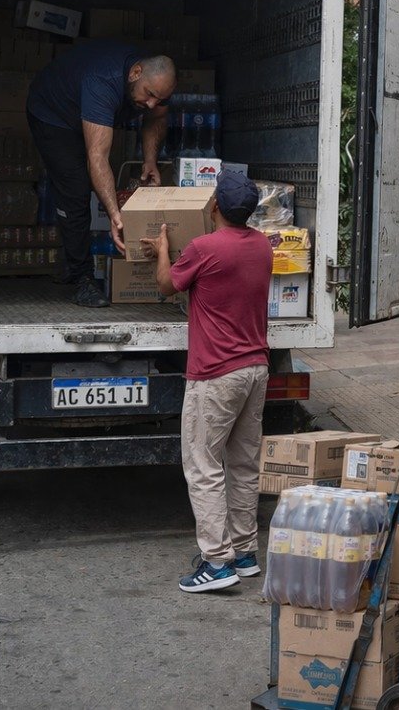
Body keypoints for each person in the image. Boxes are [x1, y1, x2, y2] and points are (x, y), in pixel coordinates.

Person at [141, 168, 272, 594]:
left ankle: (217, 563)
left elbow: (166, 285)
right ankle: (245, 552)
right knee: (242, 463)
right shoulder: (263, 246)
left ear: (213, 206)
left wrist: (163, 249)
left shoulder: (203, 248)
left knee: (203, 465)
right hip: (256, 369)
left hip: (216, 374)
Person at [28, 40, 176, 307]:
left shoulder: (154, 89)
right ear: (135, 73)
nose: (153, 103)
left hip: (88, 109)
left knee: (95, 176)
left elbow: (156, 119)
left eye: (161, 99)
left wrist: (151, 161)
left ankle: (69, 260)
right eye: (150, 94)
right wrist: (114, 214)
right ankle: (81, 279)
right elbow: (97, 157)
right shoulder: (102, 82)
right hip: (53, 114)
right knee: (75, 189)